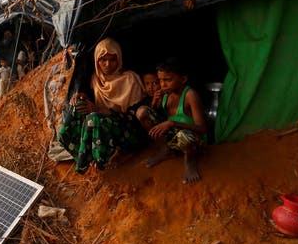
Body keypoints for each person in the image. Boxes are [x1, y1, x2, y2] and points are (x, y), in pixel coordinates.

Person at [57, 38, 148, 172]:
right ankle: (85, 158)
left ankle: (103, 161)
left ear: (119, 60)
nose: (108, 64)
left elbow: (135, 118)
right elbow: (92, 104)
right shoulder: (95, 80)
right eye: (103, 60)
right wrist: (82, 97)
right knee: (77, 107)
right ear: (96, 61)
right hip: (104, 126)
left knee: (94, 119)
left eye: (112, 60)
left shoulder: (130, 79)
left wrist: (99, 111)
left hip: (128, 133)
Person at [142, 57, 208, 183]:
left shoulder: (190, 96)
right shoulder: (165, 94)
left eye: (167, 80)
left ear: (183, 79)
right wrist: (155, 102)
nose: (162, 84)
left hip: (193, 141)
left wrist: (172, 123)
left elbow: (202, 128)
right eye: (160, 80)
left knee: (184, 136)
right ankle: (165, 150)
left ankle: (190, 161)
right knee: (143, 112)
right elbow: (156, 117)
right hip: (174, 138)